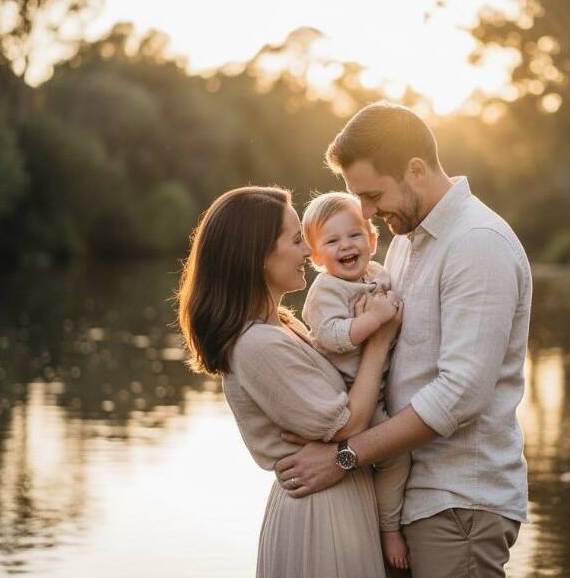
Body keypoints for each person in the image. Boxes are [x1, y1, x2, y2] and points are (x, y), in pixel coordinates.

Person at [274, 102, 533, 578]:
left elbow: (459, 396)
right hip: (408, 496)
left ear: (415, 169)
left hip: (459, 504)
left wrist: (344, 458)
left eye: (372, 195)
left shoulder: (477, 243)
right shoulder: (407, 243)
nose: (367, 213)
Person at [176, 186, 402, 578]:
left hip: (341, 502)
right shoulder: (255, 344)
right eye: (297, 240)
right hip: (320, 515)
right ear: (260, 256)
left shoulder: (282, 324)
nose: (306, 253)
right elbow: (348, 424)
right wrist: (378, 342)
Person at [301, 192, 412, 569]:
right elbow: (331, 335)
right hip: (349, 395)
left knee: (396, 457)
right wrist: (374, 320)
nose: (345, 246)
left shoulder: (379, 274)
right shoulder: (325, 291)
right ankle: (388, 527)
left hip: (378, 390)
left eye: (354, 235)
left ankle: (382, 519)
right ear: (316, 257)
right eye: (331, 242)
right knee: (395, 452)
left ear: (372, 240)